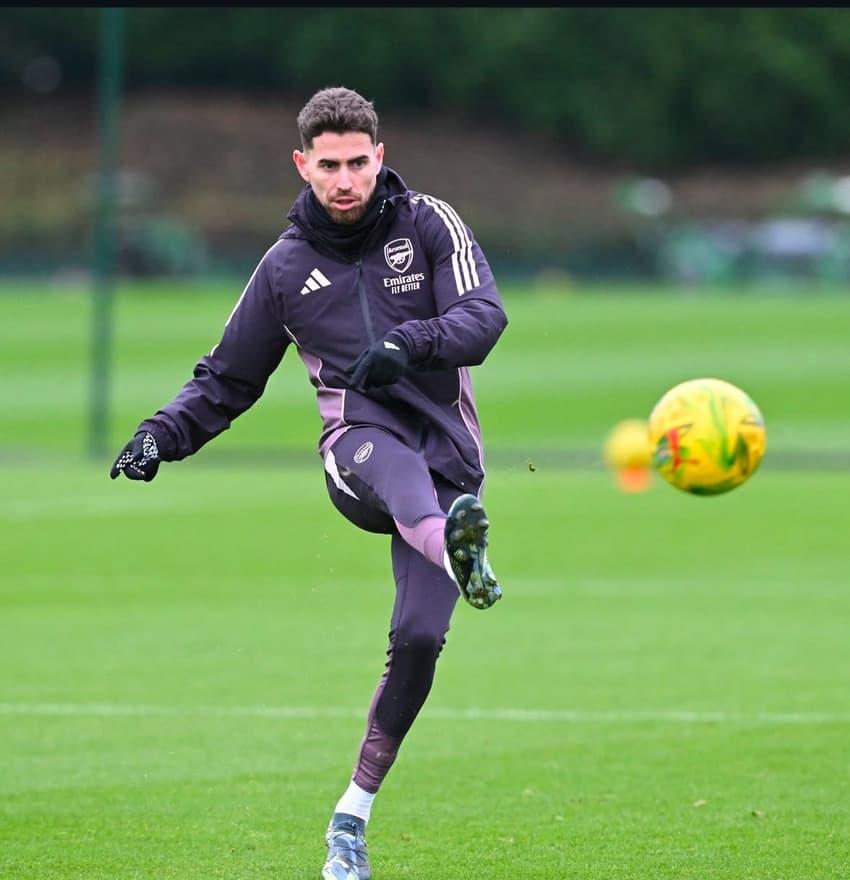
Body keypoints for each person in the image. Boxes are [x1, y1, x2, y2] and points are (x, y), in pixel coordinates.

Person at [110, 86, 508, 880]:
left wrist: (413, 344)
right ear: (303, 165)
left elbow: (484, 316)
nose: (345, 179)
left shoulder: (432, 223)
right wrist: (162, 432)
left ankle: (349, 822)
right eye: (328, 165)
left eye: (359, 162)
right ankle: (458, 549)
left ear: (380, 157)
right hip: (356, 453)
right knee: (386, 460)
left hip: (450, 460)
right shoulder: (287, 266)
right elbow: (227, 377)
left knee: (420, 640)